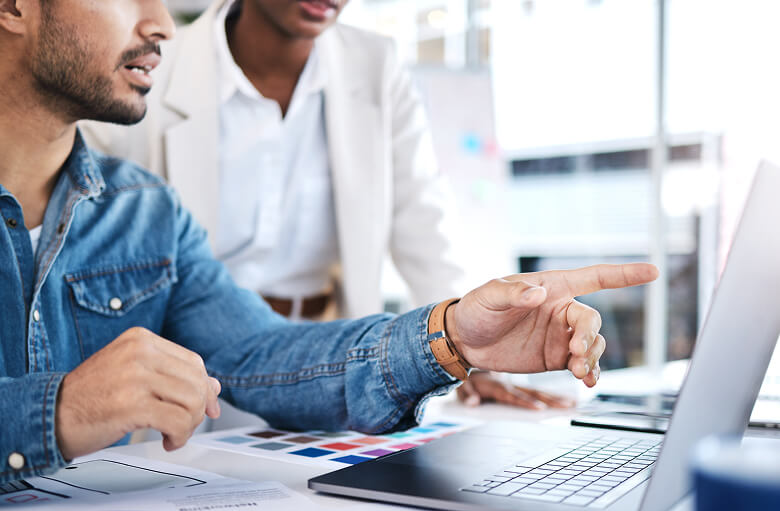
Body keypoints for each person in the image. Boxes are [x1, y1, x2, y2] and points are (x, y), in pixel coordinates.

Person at [0, 0, 657, 484]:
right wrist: (57, 411)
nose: (165, 24)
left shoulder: (145, 213)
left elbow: (256, 352)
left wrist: (451, 335)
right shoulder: (160, 115)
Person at [82, 0, 573, 412]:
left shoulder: (374, 64)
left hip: (325, 359)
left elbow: (420, 216)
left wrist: (466, 353)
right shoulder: (153, 67)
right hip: (189, 365)